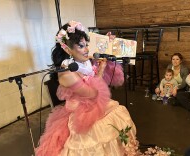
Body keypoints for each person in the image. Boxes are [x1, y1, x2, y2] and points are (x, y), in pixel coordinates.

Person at [35, 21, 137, 156]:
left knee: (117, 115)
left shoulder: (83, 61)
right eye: (81, 46)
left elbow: (97, 57)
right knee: (94, 139)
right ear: (67, 49)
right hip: (80, 113)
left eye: (87, 45)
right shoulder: (67, 73)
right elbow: (93, 93)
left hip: (92, 105)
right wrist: (100, 70)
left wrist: (108, 43)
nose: (87, 49)